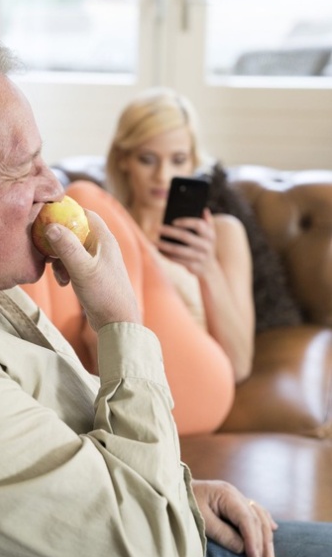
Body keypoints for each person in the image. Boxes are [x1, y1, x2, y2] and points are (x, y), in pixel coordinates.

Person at [0, 30, 330, 557]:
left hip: (167, 521)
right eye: (23, 165)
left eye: (45, 158)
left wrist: (182, 492)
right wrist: (118, 319)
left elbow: (86, 459)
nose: (53, 186)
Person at [23, 88, 253, 434]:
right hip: (99, 378)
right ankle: (24, 382)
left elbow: (240, 364)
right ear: (124, 160)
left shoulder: (221, 232)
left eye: (178, 160)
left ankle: (27, 379)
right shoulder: (110, 219)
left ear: (193, 163)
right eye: (148, 159)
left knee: (84, 201)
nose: (162, 176)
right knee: (64, 228)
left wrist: (208, 272)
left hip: (193, 384)